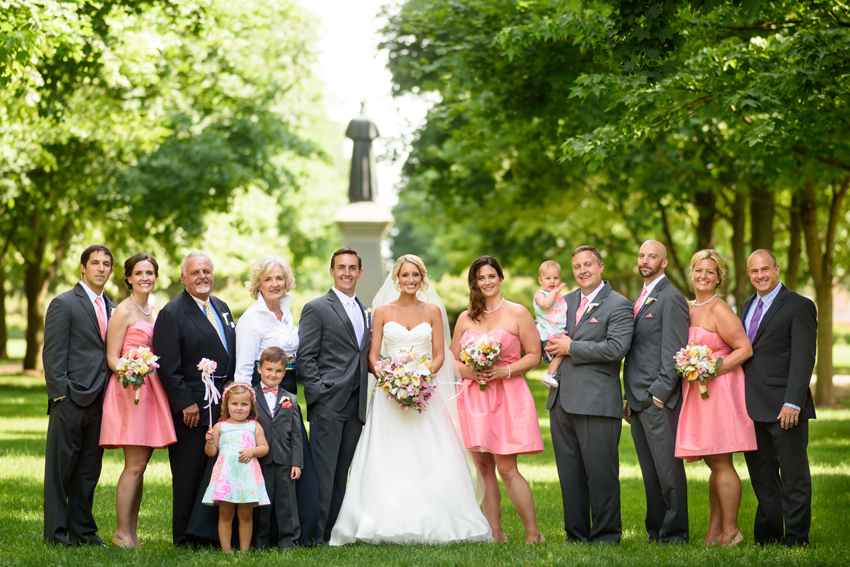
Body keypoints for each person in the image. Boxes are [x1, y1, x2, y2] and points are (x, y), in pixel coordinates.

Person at [330, 255, 492, 545]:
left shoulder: (431, 311)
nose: (410, 280)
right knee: (388, 452)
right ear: (396, 278)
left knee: (429, 451)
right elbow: (372, 355)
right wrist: (390, 378)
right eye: (405, 275)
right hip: (388, 394)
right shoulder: (380, 311)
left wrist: (419, 377)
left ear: (422, 278)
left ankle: (437, 513)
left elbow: (441, 354)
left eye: (415, 275)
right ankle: (379, 517)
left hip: (424, 392)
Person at [451, 256, 545, 545]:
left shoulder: (518, 312)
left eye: (492, 276)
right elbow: (452, 359)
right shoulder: (466, 318)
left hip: (507, 395)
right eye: (481, 278)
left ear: (500, 278)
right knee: (482, 468)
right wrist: (471, 371)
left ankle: (533, 534)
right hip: (473, 398)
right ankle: (496, 533)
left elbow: (534, 355)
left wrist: (504, 369)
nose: (487, 282)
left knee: (506, 468)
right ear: (474, 283)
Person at [544, 245, 633, 544]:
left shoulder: (619, 304)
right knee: (569, 474)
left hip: (596, 401)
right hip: (560, 400)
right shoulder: (563, 301)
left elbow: (616, 349)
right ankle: (576, 534)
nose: (583, 271)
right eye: (577, 266)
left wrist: (571, 348)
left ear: (600, 266)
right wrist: (549, 347)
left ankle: (607, 535)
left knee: (601, 474)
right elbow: (551, 333)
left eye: (588, 265)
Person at [234, 254, 320, 545]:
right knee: (268, 461)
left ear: (286, 282)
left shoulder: (286, 312)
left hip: (288, 391)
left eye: (279, 278)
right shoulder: (251, 320)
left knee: (291, 459)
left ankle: (297, 531)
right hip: (262, 398)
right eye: (268, 278)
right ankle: (264, 535)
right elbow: (244, 371)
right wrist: (244, 413)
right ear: (258, 283)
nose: (274, 284)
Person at [153, 251, 236, 547]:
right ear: (183, 278)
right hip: (192, 407)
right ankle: (185, 536)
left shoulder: (222, 307)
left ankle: (211, 534)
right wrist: (185, 403)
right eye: (195, 272)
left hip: (224, 406)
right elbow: (167, 366)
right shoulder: (172, 313)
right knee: (189, 472)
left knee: (217, 472)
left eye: (207, 271)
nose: (202, 276)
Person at [674, 249, 756, 546]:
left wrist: (713, 368)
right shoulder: (687, 306)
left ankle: (732, 532)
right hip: (697, 391)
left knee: (721, 461)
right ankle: (715, 532)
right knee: (713, 461)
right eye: (699, 271)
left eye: (710, 272)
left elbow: (744, 349)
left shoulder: (720, 308)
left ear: (719, 277)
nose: (703, 276)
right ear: (691, 274)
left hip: (719, 391)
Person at [100, 253, 176, 548]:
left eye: (150, 272)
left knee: (141, 463)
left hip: (150, 390)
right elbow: (111, 357)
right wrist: (131, 370)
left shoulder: (153, 310)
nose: (145, 277)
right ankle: (121, 533)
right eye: (139, 273)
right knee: (134, 464)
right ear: (129, 278)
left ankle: (130, 533)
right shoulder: (123, 311)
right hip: (130, 390)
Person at [741, 249, 817, 547]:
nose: (759, 275)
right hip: (752, 407)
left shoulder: (799, 306)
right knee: (762, 476)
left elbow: (803, 358)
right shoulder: (747, 305)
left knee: (794, 476)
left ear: (777, 269)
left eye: (764, 269)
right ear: (748, 274)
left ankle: (797, 538)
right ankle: (768, 535)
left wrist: (793, 402)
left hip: (786, 407)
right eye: (753, 271)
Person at [297, 247, 372, 543]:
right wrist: (319, 392)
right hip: (328, 403)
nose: (346, 273)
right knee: (322, 473)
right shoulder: (317, 307)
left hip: (356, 405)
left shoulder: (365, 310)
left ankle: (333, 531)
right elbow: (305, 358)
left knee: (342, 472)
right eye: (341, 267)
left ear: (360, 273)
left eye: (352, 268)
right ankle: (314, 534)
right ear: (332, 271)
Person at [43, 244, 115, 547]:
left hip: (102, 399)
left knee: (88, 469)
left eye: (106, 264)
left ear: (111, 271)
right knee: (60, 470)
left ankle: (83, 532)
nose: (101, 268)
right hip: (70, 399)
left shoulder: (113, 307)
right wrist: (61, 396)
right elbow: (53, 353)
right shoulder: (64, 303)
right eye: (95, 263)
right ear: (83, 268)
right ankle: (57, 534)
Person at [622, 240, 689, 544]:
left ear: (664, 263)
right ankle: (656, 530)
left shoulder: (671, 298)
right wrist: (629, 397)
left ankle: (675, 534)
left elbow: (675, 350)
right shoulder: (642, 295)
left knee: (667, 471)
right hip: (636, 398)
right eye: (642, 255)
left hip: (657, 398)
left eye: (652, 256)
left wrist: (660, 394)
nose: (645, 260)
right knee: (650, 472)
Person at [203, 383, 270, 552]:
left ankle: (244, 551)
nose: (239, 408)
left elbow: (264, 448)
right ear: (227, 405)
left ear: (251, 406)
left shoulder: (254, 426)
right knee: (225, 514)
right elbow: (211, 452)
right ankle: (226, 550)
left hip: (246, 476)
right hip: (226, 477)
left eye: (244, 404)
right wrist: (209, 441)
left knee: (246, 515)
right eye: (234, 404)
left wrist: (252, 450)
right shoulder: (220, 426)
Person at [252, 347, 303, 550]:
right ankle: (260, 541)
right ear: (259, 369)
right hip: (258, 460)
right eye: (269, 369)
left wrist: (297, 462)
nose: (273, 375)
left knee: (287, 503)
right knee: (261, 502)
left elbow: (297, 435)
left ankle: (288, 540)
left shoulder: (291, 399)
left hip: (284, 459)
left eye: (278, 371)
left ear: (285, 372)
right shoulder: (249, 396)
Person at [533, 260, 568, 389]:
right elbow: (545, 305)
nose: (552, 281)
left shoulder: (558, 296)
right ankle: (549, 375)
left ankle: (553, 374)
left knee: (563, 351)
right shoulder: (540, 295)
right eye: (548, 278)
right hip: (547, 331)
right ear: (540, 280)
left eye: (556, 278)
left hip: (556, 330)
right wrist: (554, 293)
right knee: (562, 352)